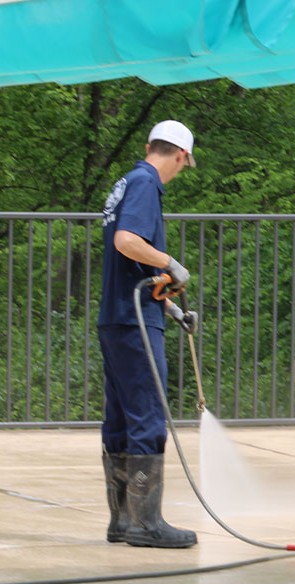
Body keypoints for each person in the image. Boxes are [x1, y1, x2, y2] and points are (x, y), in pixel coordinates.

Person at [97, 120, 199, 549]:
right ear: (179, 155)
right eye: (184, 164)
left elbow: (134, 269)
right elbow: (127, 242)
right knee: (148, 416)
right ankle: (146, 523)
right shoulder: (144, 183)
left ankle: (122, 521)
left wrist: (172, 307)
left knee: (121, 418)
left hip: (120, 316)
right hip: (134, 322)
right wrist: (172, 263)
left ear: (148, 144)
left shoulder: (126, 182)